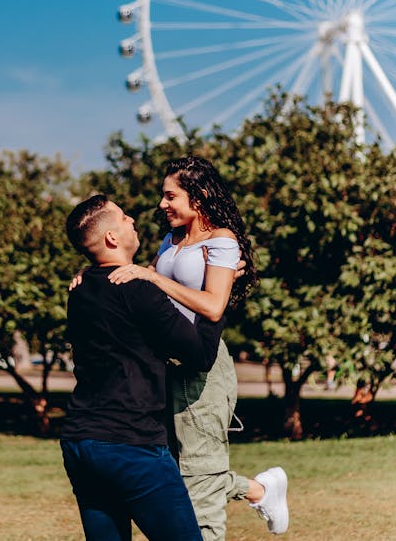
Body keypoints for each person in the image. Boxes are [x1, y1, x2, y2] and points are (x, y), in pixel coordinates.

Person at [108, 156, 289, 538]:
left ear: (200, 195)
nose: (162, 204)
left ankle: (256, 494)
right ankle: (259, 490)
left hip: (201, 368)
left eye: (170, 195)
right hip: (165, 365)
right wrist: (94, 277)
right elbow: (145, 288)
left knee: (198, 475)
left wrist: (152, 277)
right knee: (173, 468)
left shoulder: (221, 240)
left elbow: (212, 305)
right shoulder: (171, 240)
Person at [61, 193, 228, 541]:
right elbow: (199, 354)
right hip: (130, 445)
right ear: (112, 238)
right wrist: (219, 297)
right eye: (123, 218)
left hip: (80, 443)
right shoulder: (139, 289)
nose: (132, 221)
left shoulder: (79, 289)